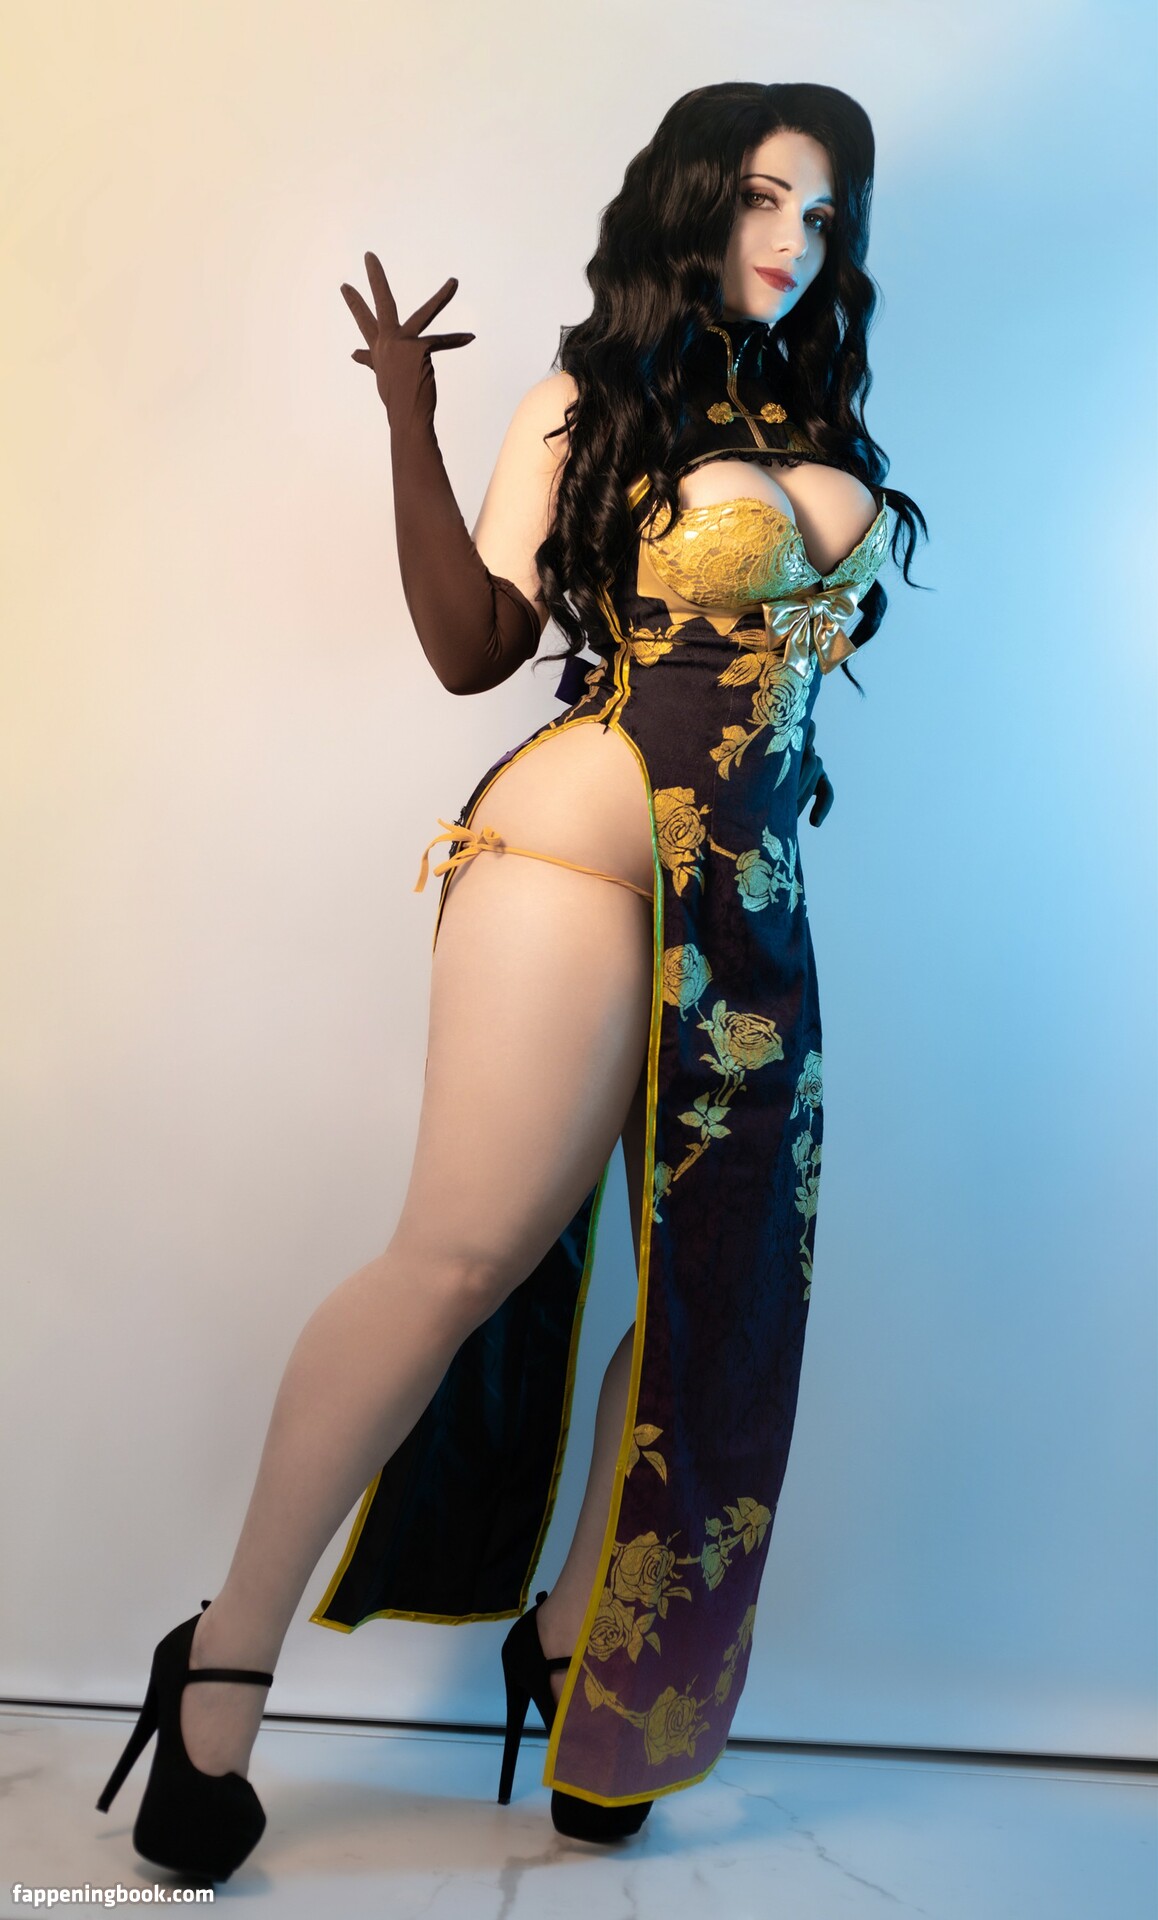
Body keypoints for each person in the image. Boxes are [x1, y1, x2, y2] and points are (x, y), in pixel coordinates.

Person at [95, 78, 925, 1879]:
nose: (795, 240)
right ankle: (218, 1661)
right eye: (764, 198)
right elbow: (475, 643)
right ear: (692, 199)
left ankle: (579, 1649)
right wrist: (410, 420)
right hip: (569, 861)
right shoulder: (588, 398)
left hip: (747, 906)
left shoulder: (811, 418)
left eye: (824, 215)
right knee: (460, 1257)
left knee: (715, 1296)